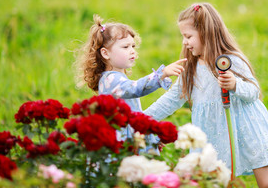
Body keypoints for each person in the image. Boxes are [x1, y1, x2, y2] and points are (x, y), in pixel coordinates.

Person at [144, 3, 268, 188]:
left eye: (188, 36)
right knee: (214, 182)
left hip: (250, 130)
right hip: (214, 135)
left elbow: (254, 91)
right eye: (183, 36)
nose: (184, 42)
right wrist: (141, 120)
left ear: (206, 33)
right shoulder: (190, 68)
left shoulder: (231, 60)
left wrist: (235, 84)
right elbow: (171, 100)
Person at [77, 14, 186, 154]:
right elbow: (135, 89)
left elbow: (134, 113)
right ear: (105, 53)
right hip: (122, 142)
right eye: (125, 47)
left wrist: (149, 137)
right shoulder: (110, 80)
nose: (132, 50)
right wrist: (162, 74)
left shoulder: (115, 78)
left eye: (133, 46)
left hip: (129, 135)